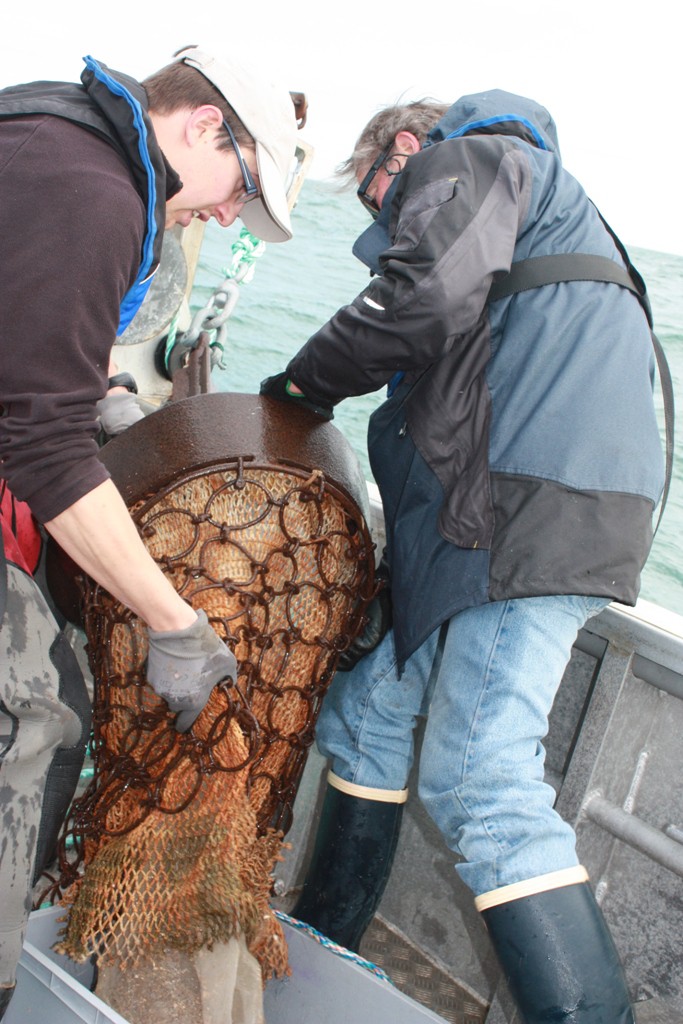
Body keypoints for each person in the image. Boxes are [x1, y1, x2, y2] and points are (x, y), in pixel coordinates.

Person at [260, 93, 665, 1022]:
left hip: (529, 511)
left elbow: (421, 298)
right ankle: (322, 953)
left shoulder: (475, 158)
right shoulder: (553, 205)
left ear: (405, 151)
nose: (384, 225)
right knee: (366, 719)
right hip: (493, 514)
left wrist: (298, 387)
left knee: (480, 778)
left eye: (378, 203)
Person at [0, 44, 301, 1017]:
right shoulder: (96, 193)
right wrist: (175, 620)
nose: (226, 216)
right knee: (37, 717)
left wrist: (113, 393)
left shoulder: (58, 143)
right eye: (239, 190)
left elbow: (38, 340)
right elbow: (43, 452)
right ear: (203, 127)